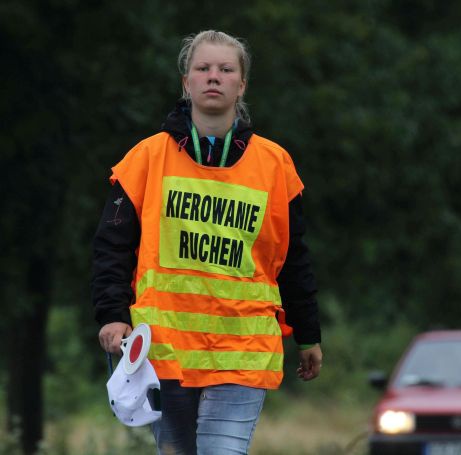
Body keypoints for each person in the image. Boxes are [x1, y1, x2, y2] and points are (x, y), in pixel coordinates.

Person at [92, 30, 322, 454]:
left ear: (241, 84)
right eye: (203, 68)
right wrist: (111, 314)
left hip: (242, 350)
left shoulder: (275, 164)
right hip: (166, 350)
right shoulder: (146, 157)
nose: (213, 77)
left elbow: (293, 257)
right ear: (187, 82)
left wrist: (307, 334)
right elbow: (112, 245)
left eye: (225, 69)